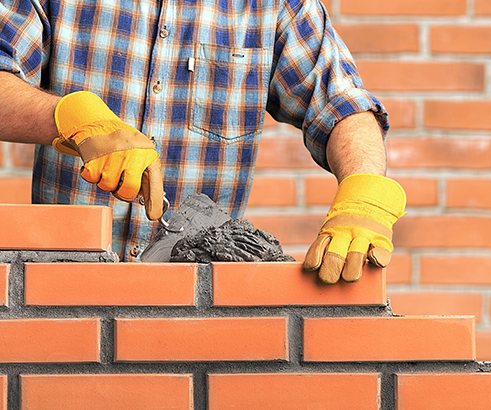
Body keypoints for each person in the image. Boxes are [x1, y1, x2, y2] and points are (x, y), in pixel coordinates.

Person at [0, 0, 406, 284]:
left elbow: (342, 104)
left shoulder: (273, 6)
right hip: (60, 293)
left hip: (196, 311)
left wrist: (364, 191)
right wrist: (71, 116)